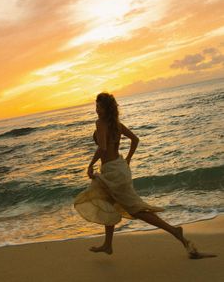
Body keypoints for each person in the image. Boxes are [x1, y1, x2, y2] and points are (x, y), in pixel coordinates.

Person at [74, 92, 206, 259]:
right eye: (96, 106)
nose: (96, 110)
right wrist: (127, 159)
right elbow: (135, 140)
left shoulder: (101, 123)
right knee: (107, 202)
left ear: (106, 109)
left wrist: (90, 165)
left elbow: (103, 148)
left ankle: (175, 231)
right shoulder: (116, 124)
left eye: (99, 107)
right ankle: (108, 245)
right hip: (118, 169)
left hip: (113, 173)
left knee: (136, 210)